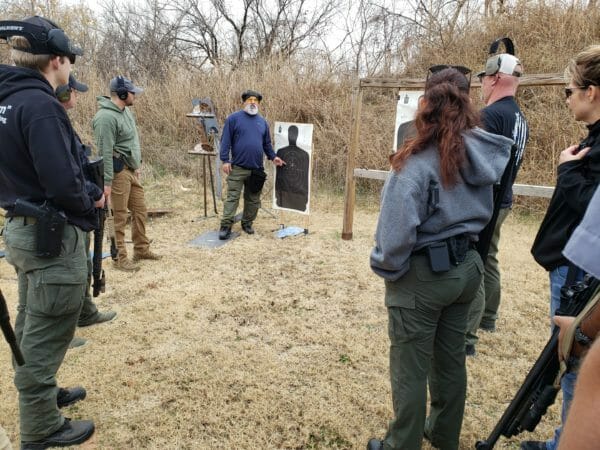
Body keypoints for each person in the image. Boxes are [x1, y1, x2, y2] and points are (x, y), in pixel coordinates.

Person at [368, 67, 512, 450]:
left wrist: (389, 270)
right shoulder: (482, 154)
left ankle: (403, 444)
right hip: (467, 271)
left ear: (425, 106)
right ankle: (444, 435)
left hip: (424, 277)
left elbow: (393, 236)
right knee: (450, 363)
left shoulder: (415, 163)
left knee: (410, 369)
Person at [0, 15, 97, 448]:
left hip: (23, 227)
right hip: (48, 234)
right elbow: (63, 182)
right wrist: (90, 199)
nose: (70, 70)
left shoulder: (8, 99)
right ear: (56, 59)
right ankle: (40, 426)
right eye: (69, 61)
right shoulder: (39, 106)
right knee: (47, 326)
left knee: (32, 318)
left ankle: (44, 396)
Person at [524, 45, 600, 450]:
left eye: (569, 91)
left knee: (574, 360)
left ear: (592, 92)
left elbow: (595, 207)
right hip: (575, 265)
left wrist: (568, 171)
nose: (567, 99)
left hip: (580, 272)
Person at [465, 51, 529, 354]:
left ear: (497, 78)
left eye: (486, 77)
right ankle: (489, 317)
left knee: (475, 259)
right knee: (489, 257)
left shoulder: (490, 115)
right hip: (503, 200)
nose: (482, 83)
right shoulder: (519, 117)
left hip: (487, 201)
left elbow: (475, 165)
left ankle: (468, 336)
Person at [56, 75, 117, 342]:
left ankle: (85, 313)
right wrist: (94, 193)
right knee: (66, 273)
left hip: (78, 206)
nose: (77, 96)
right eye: (74, 91)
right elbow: (65, 172)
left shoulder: (57, 118)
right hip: (65, 209)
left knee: (81, 262)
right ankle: (59, 332)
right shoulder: (49, 119)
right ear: (62, 92)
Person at [93, 75, 160, 271]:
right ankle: (119, 258)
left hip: (130, 170)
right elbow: (104, 151)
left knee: (140, 210)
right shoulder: (105, 118)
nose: (135, 96)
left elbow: (132, 140)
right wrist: (106, 182)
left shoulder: (125, 112)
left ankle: (141, 249)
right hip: (117, 172)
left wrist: (137, 165)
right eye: (132, 93)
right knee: (119, 216)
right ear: (122, 94)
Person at [218, 89, 285, 240]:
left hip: (256, 168)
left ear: (259, 103)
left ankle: (247, 223)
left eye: (256, 100)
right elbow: (225, 141)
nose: (253, 102)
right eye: (250, 100)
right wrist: (225, 160)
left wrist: (273, 157)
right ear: (244, 102)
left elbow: (267, 144)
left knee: (253, 199)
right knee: (232, 197)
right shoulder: (233, 119)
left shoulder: (263, 122)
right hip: (237, 167)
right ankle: (226, 225)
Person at [275, 125, 310, 212]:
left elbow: (304, 178)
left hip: (284, 200)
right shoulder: (304, 154)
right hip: (288, 200)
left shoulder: (281, 152)